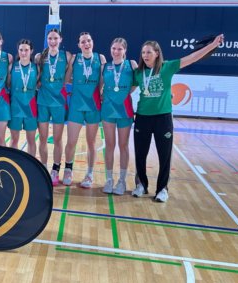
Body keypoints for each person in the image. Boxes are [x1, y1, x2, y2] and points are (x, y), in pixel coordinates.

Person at [132, 34, 225, 203]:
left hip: (163, 118)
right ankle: (141, 185)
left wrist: (212, 45)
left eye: (149, 52)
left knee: (164, 156)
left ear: (157, 53)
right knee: (140, 154)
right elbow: (126, 89)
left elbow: (192, 57)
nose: (145, 55)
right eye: (143, 52)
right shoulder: (138, 73)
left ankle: (162, 189)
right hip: (142, 117)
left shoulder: (167, 67)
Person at [63, 33, 106, 188]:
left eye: (88, 40)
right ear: (79, 45)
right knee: (71, 141)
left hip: (93, 105)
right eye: (83, 42)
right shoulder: (75, 59)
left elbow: (102, 81)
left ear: (92, 42)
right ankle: (68, 170)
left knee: (91, 142)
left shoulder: (100, 58)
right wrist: (78, 83)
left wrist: (100, 92)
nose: (86, 44)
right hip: (76, 105)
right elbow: (67, 79)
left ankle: (89, 174)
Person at [101, 38, 137, 195]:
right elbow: (100, 85)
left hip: (124, 110)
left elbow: (136, 83)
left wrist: (125, 93)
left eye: (119, 49)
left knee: (123, 145)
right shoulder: (105, 66)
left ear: (125, 50)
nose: (116, 52)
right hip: (108, 110)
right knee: (109, 145)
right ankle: (109, 179)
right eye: (114, 48)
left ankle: (122, 181)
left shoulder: (131, 64)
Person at [35, 29, 71, 185]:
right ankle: (43, 168)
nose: (53, 41)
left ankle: (55, 169)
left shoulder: (67, 56)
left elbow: (67, 79)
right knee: (42, 138)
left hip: (58, 102)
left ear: (60, 39)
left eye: (55, 38)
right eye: (50, 38)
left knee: (57, 139)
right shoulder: (39, 57)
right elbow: (37, 78)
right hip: (43, 101)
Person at [8, 39, 38, 156]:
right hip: (15, 108)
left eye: (26, 50)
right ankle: (12, 163)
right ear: (18, 50)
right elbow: (8, 84)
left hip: (31, 108)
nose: (23, 53)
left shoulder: (36, 68)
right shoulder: (12, 67)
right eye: (21, 50)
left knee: (31, 140)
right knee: (14, 139)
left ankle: (31, 164)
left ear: (31, 51)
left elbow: (39, 85)